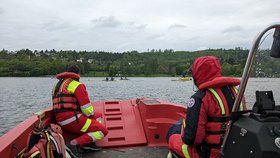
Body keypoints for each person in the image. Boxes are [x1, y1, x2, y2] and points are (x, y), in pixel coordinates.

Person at [167, 56, 246, 158]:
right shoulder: (237, 92)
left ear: (197, 75)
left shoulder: (200, 98)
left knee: (172, 134)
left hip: (209, 154)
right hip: (232, 149)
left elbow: (192, 139)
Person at [52, 65, 108, 158]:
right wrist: (92, 119)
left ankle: (88, 144)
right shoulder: (77, 85)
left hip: (60, 119)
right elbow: (86, 108)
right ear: (78, 74)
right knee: (103, 131)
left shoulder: (57, 86)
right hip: (72, 119)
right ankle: (73, 144)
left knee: (99, 115)